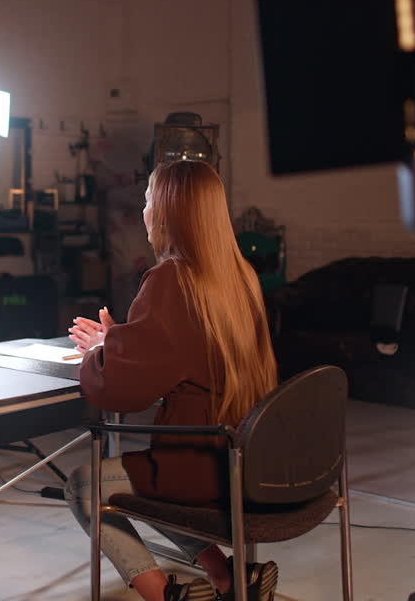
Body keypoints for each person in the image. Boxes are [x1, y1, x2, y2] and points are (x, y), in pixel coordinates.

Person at [65, 160, 280, 601]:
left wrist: (98, 355)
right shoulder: (242, 277)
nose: (143, 211)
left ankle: (164, 595)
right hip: (245, 457)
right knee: (145, 479)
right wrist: (120, 339)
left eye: (147, 201)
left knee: (87, 485)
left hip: (198, 462)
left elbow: (123, 390)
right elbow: (191, 349)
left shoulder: (172, 279)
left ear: (166, 212)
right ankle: (230, 579)